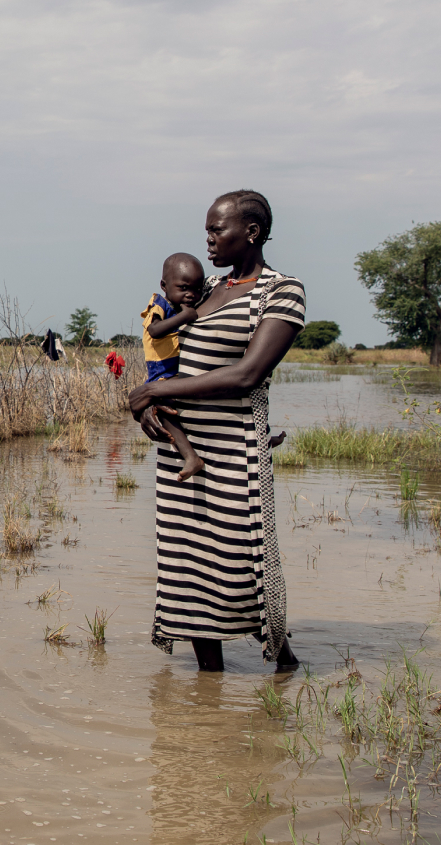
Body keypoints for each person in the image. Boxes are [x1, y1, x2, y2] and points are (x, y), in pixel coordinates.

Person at [129, 190, 304, 672]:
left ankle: (283, 663)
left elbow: (249, 374)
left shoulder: (281, 292)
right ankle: (211, 686)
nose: (208, 240)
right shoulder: (204, 292)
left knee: (240, 565)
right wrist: (151, 405)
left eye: (216, 230)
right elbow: (164, 347)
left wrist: (161, 394)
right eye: (206, 229)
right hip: (181, 454)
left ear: (251, 232)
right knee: (187, 569)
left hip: (233, 451)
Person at [141, 253, 206, 482]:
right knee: (163, 408)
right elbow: (155, 331)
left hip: (176, 371)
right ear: (164, 285)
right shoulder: (158, 303)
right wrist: (186, 316)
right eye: (184, 287)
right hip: (161, 371)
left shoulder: (178, 307)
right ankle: (190, 456)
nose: (191, 294)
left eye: (197, 289)